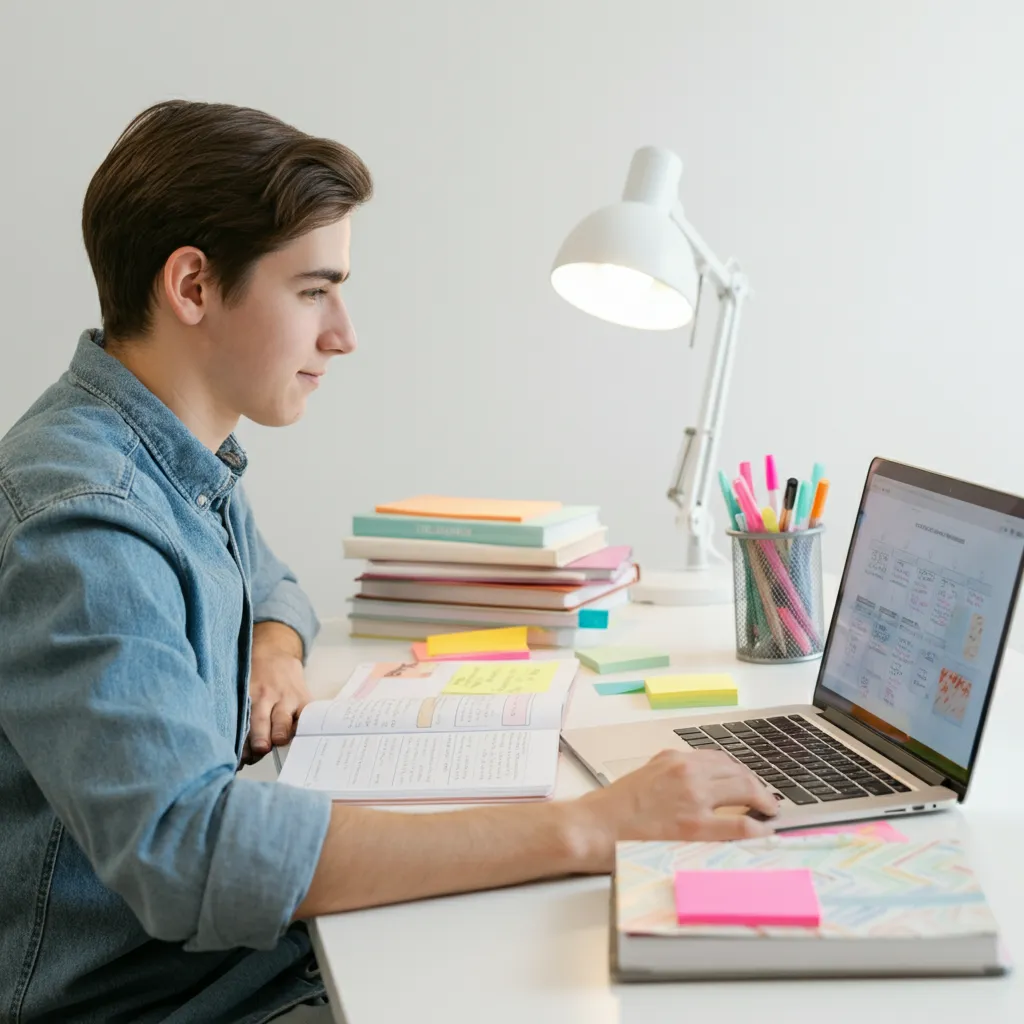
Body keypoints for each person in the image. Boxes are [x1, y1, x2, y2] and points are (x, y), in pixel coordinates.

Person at [0, 100, 777, 1024]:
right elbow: (188, 853)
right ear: (194, 287)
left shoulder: (161, 452)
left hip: (230, 969)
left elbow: (272, 584)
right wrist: (589, 828)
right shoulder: (86, 521)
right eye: (313, 290)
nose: (344, 334)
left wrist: (273, 652)